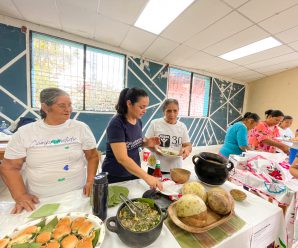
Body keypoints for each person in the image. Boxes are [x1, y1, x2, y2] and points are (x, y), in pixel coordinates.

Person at [0, 88, 99, 213]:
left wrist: (90, 181)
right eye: (62, 106)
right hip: (41, 199)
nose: (68, 109)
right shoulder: (25, 133)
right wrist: (20, 195)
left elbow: (92, 156)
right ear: (45, 107)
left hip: (77, 194)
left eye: (69, 105)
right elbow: (9, 167)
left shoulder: (80, 128)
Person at [101, 87, 163, 190]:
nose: (144, 111)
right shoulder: (116, 124)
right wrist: (147, 176)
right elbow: (122, 158)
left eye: (146, 107)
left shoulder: (138, 121)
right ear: (129, 103)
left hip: (134, 171)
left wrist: (146, 143)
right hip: (116, 175)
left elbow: (132, 142)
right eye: (142, 107)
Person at [145, 99, 192, 174]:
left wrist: (187, 149)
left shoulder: (182, 127)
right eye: (169, 111)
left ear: (178, 111)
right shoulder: (155, 123)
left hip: (175, 168)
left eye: (175, 111)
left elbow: (188, 145)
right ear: (164, 111)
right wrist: (154, 148)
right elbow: (145, 142)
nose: (172, 114)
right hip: (155, 166)